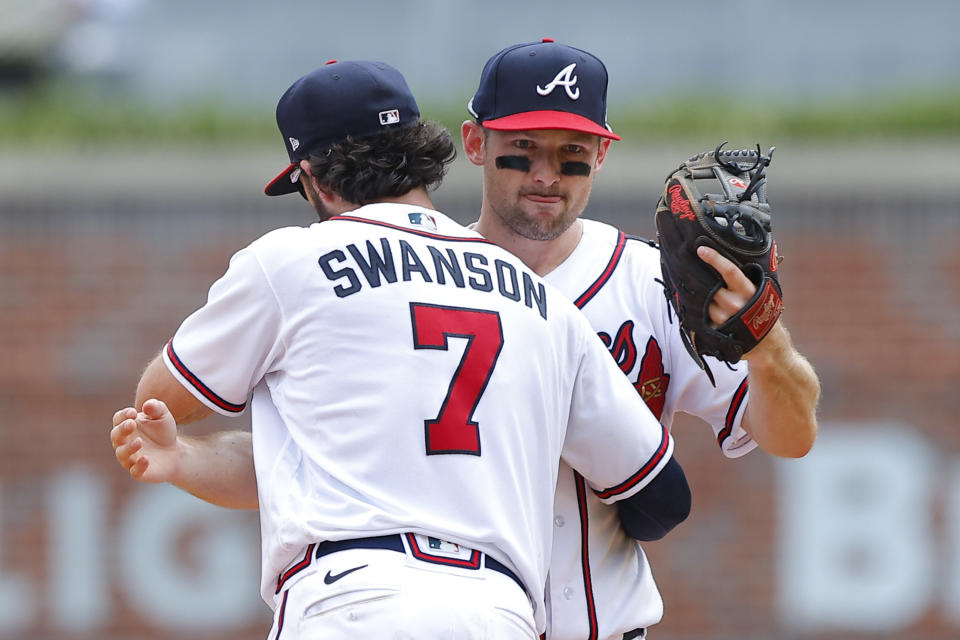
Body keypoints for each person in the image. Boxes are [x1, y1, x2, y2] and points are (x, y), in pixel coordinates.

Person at [109, 59, 693, 640]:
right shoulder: (540, 302)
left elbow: (162, 401)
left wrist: (180, 449)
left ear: (317, 177)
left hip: (351, 599)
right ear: (422, 154)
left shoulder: (290, 261)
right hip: (496, 609)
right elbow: (663, 494)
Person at [457, 39, 820, 639]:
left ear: (601, 154)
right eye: (522, 149)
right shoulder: (424, 283)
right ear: (476, 144)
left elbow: (791, 438)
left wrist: (766, 343)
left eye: (571, 151)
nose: (547, 174)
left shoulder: (651, 281)